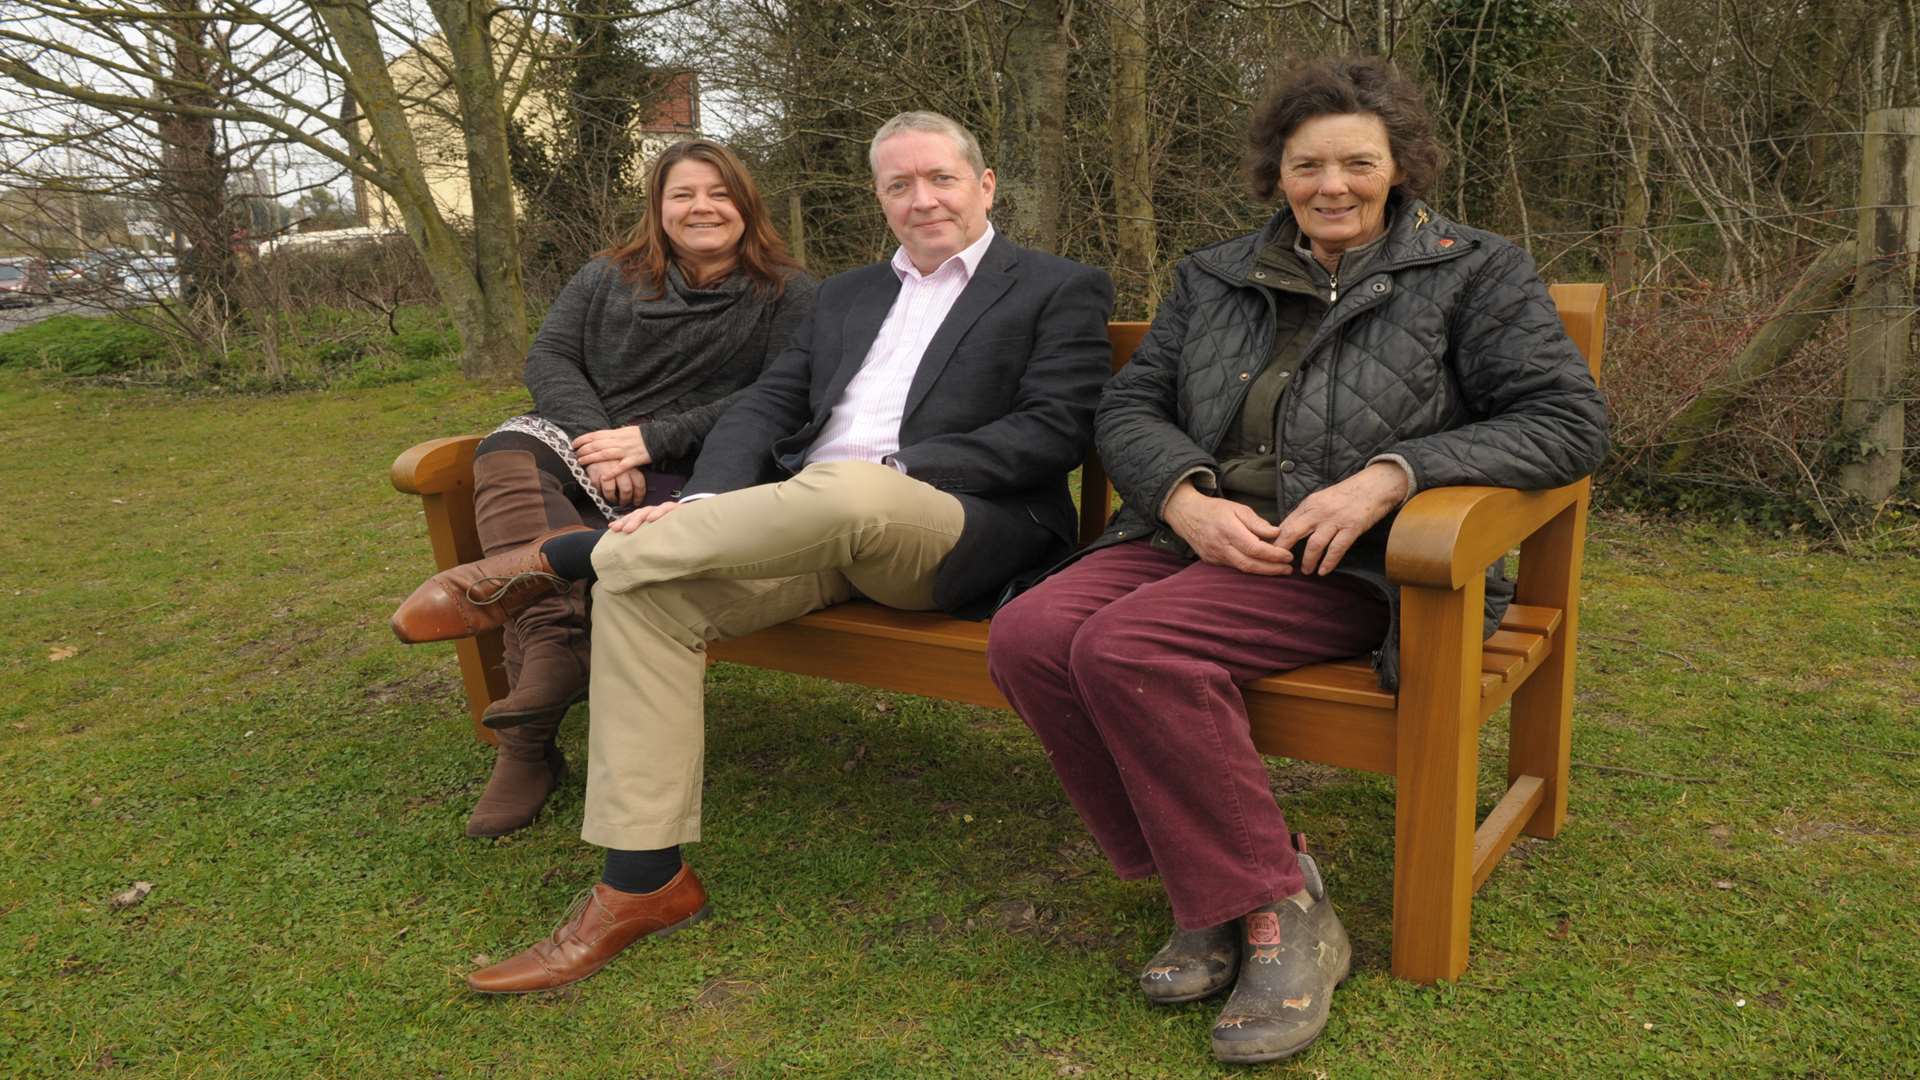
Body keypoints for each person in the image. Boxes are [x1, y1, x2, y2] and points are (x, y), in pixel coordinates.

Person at [391, 111, 1116, 994]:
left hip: (952, 530)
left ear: (985, 183)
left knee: (853, 482)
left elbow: (1051, 430)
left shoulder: (1056, 286)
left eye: (941, 179)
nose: (922, 199)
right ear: (880, 198)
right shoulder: (847, 296)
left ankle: (562, 559)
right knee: (645, 597)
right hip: (801, 523)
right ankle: (642, 883)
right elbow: (763, 410)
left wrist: (886, 467)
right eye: (899, 185)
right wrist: (699, 504)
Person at [985, 56, 1609, 1065]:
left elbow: (1568, 422)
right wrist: (1185, 498)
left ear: (1400, 165)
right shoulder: (1214, 273)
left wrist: (1395, 476)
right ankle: (1221, 886)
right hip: (1196, 536)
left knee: (1130, 649)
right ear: (1276, 170)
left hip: (1353, 562)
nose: (1332, 185)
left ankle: (1275, 910)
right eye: (1307, 163)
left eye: (1357, 163)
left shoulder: (1474, 270)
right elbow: (1129, 407)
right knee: (1029, 634)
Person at [454, 139, 815, 839]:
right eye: (683, 194)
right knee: (506, 448)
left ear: (746, 204)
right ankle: (556, 650)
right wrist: (599, 445)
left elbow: (780, 396)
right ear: (658, 207)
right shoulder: (605, 277)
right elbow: (550, 356)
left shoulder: (789, 293)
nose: (702, 207)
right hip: (596, 447)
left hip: (703, 466)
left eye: (719, 193)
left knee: (587, 516)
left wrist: (652, 440)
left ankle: (526, 747)